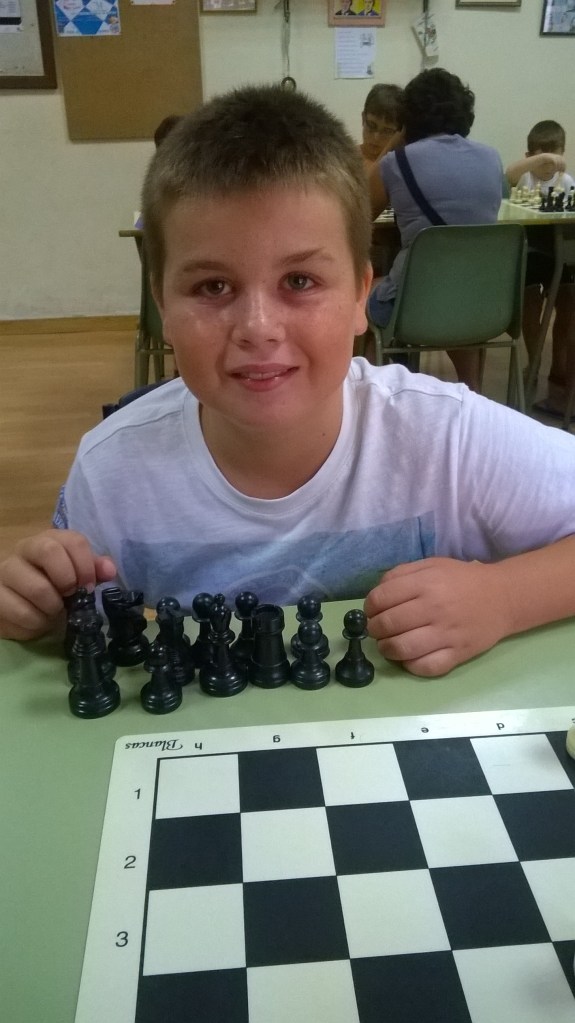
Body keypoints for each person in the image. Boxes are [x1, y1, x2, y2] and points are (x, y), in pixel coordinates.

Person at [2, 85, 575, 681]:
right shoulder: (111, 471)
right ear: (162, 306)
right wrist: (42, 609)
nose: (258, 328)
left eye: (299, 281)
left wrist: (503, 598)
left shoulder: (445, 436)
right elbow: (77, 620)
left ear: (361, 295)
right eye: (212, 287)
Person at [367, 68, 504, 391]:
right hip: (484, 306)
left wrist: (392, 145)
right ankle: (472, 391)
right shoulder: (492, 158)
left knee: (361, 293)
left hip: (413, 308)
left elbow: (359, 212)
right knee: (457, 290)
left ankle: (370, 391)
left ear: (407, 118)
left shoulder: (397, 162)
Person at [506, 120, 575, 418]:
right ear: (529, 156)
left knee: (569, 302)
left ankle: (558, 369)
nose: (547, 164)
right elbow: (508, 175)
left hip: (561, 252)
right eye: (540, 157)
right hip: (532, 251)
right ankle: (534, 362)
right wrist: (536, 160)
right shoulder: (524, 178)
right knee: (530, 301)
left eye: (553, 156)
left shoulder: (566, 182)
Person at [358, 82, 404, 174]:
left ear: (399, 133)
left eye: (387, 131)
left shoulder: (401, 165)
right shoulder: (345, 157)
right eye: (371, 125)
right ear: (363, 118)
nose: (376, 137)